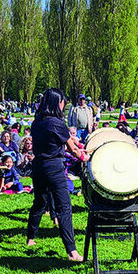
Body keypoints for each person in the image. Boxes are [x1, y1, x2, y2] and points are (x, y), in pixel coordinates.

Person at [26, 88, 88, 262]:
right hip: (54, 167)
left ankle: (30, 238)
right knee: (64, 208)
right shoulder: (57, 122)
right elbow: (73, 149)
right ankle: (72, 252)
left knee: (39, 202)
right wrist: (84, 156)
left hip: (38, 166)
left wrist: (74, 145)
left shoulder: (37, 122)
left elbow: (61, 141)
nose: (63, 106)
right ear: (56, 102)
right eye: (62, 102)